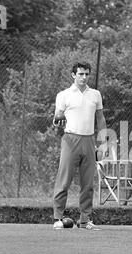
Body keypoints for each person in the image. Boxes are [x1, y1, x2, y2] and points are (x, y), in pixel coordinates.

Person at [52, 61, 107, 231]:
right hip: (70, 139)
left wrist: (103, 142)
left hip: (89, 140)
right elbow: (57, 118)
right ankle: (57, 218)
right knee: (64, 180)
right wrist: (57, 122)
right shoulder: (64, 95)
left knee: (88, 183)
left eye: (86, 74)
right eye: (81, 74)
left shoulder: (95, 94)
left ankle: (85, 220)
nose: (84, 77)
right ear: (73, 75)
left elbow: (100, 119)